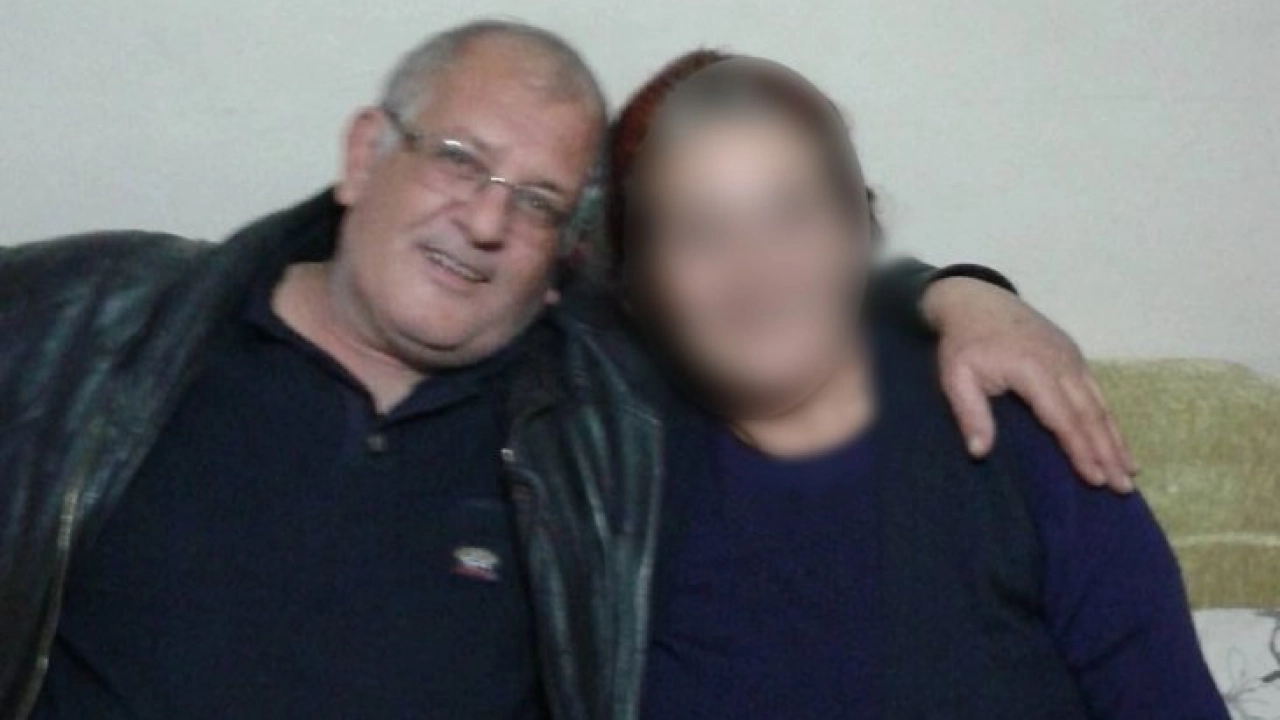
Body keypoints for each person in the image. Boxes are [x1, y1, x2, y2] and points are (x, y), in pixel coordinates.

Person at [0, 20, 1131, 720]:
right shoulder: (89, 322)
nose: (486, 221)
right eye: (458, 158)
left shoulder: (582, 421)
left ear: (562, 258)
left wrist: (953, 293)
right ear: (363, 153)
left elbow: (773, 292)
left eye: (536, 201)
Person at [607, 50, 1227, 719]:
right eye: (699, 232)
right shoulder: (599, 481)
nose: (758, 272)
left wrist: (951, 289)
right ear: (638, 280)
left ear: (859, 228)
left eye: (794, 212)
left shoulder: (1011, 424)